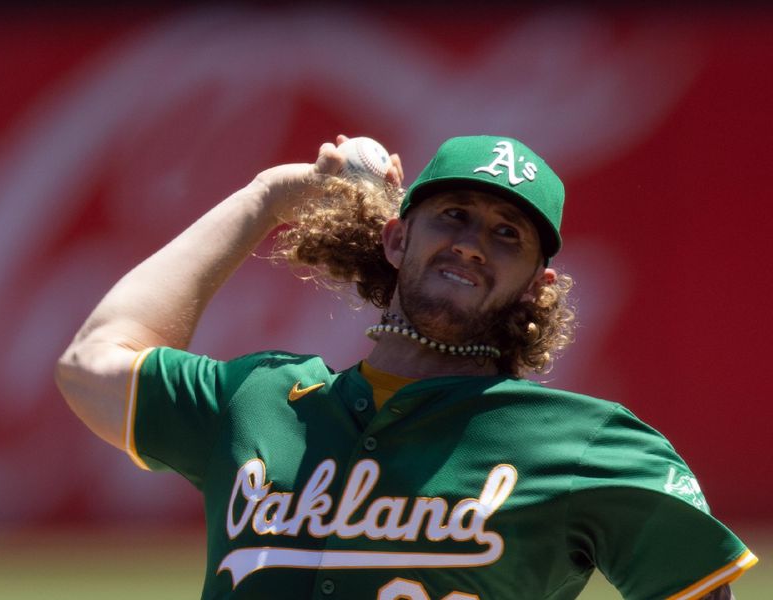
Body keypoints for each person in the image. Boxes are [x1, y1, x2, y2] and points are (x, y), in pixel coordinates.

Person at [56, 134, 757, 599]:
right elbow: (90, 365)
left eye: (507, 233)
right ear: (395, 239)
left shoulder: (583, 444)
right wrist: (269, 196)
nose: (474, 243)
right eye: (453, 214)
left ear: (539, 287)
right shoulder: (260, 400)